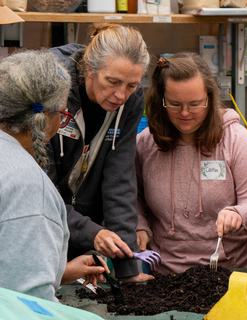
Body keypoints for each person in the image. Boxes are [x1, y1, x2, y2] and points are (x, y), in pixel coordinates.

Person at [135, 53, 247, 274]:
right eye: (175, 104)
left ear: (209, 98)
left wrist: (239, 213)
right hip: (169, 273)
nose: (185, 113)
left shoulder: (237, 141)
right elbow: (133, 196)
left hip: (238, 267)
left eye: (195, 104)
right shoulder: (146, 144)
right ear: (161, 100)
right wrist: (140, 225)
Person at [47, 24, 151, 282]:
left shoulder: (130, 102)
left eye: (131, 85)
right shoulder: (51, 86)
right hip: (38, 226)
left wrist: (128, 270)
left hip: (80, 223)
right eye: (112, 82)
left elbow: (120, 180)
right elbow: (40, 189)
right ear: (90, 69)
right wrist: (91, 232)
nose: (121, 95)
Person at [0, 50, 106, 302]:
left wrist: (59, 271)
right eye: (63, 113)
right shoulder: (27, 186)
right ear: (45, 118)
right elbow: (25, 303)